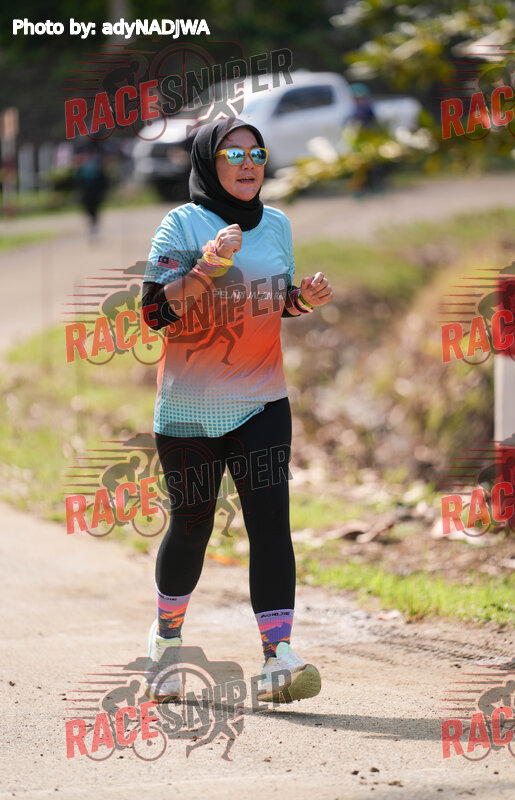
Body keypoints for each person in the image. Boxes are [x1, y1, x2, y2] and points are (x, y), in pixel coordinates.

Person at [141, 117, 333, 704]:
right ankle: (166, 645)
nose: (249, 164)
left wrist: (301, 300)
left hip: (262, 399)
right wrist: (205, 268)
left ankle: (278, 658)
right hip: (189, 408)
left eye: (257, 153)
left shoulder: (277, 225)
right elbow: (153, 314)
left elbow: (273, 302)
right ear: (209, 162)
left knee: (271, 525)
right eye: (234, 154)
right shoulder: (181, 225)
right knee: (193, 525)